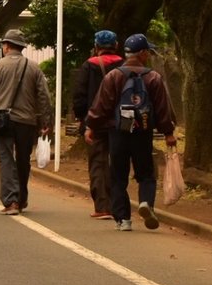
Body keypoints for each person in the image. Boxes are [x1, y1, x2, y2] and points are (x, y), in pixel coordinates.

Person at [85, 33, 177, 232]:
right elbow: (162, 109)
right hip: (143, 132)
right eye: (148, 52)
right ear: (142, 53)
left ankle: (123, 219)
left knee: (118, 176)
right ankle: (145, 203)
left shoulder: (114, 76)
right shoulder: (153, 77)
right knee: (146, 174)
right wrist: (168, 132)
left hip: (117, 132)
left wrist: (91, 126)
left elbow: (101, 105)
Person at [0, 28, 52, 215]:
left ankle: (11, 201)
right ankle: (21, 198)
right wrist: (46, 120)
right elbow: (44, 97)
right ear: (22, 47)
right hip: (27, 121)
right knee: (23, 160)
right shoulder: (34, 68)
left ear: (7, 46)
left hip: (3, 118)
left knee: (6, 159)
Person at [71, 29, 124, 218]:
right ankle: (119, 205)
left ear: (96, 46)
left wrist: (81, 118)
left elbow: (80, 95)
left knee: (98, 163)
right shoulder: (123, 66)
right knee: (118, 163)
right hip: (120, 122)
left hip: (95, 121)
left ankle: (102, 206)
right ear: (116, 45)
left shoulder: (89, 65)